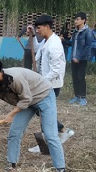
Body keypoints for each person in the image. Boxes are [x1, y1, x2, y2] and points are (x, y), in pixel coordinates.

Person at [0, 56, 67, 172]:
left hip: (43, 95)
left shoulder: (15, 78)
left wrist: (12, 114)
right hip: (26, 102)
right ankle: (11, 166)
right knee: (14, 133)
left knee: (50, 134)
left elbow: (27, 98)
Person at [31, 15, 74, 148]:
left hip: (51, 85)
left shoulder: (54, 45)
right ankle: (60, 132)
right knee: (42, 111)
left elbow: (56, 70)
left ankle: (54, 137)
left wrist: (41, 81)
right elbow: (38, 52)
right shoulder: (47, 40)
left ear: (47, 27)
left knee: (42, 111)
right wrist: (32, 35)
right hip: (45, 83)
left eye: (38, 28)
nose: (37, 31)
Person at [69, 12, 92, 105]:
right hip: (73, 58)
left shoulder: (88, 32)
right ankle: (77, 96)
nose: (76, 21)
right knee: (74, 77)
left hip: (82, 59)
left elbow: (88, 46)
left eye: (78, 19)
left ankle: (83, 97)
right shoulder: (75, 32)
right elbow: (72, 44)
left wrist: (79, 57)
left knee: (81, 77)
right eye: (75, 19)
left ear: (83, 20)